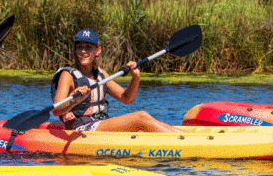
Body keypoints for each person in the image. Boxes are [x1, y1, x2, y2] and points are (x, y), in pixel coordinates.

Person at [50, 29, 183, 133]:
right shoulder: (67, 75)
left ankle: (186, 136)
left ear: (98, 50)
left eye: (88, 47)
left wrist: (135, 78)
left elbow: (126, 98)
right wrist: (74, 99)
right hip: (80, 129)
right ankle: (183, 141)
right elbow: (56, 111)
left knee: (151, 124)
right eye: (79, 47)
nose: (83, 51)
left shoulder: (101, 74)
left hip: (99, 123)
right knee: (141, 117)